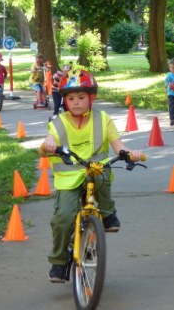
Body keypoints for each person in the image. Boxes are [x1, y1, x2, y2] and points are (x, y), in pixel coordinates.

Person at [40, 69, 144, 283]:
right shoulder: (58, 122)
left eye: (81, 97)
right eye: (71, 98)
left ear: (91, 98)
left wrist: (130, 153)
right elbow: (48, 142)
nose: (76, 102)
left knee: (101, 175)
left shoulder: (103, 119)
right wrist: (47, 144)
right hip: (69, 177)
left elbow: (118, 146)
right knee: (63, 218)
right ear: (64, 100)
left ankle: (107, 213)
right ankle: (59, 262)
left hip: (96, 169)